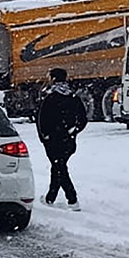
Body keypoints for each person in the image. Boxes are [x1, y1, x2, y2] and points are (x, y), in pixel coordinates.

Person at [36, 68, 87, 210]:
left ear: (53, 79)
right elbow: (82, 119)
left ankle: (72, 200)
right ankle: (50, 198)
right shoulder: (73, 97)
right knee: (58, 167)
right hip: (68, 141)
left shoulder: (50, 97)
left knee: (60, 168)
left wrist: (44, 137)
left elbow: (42, 119)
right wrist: (73, 130)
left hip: (53, 141)